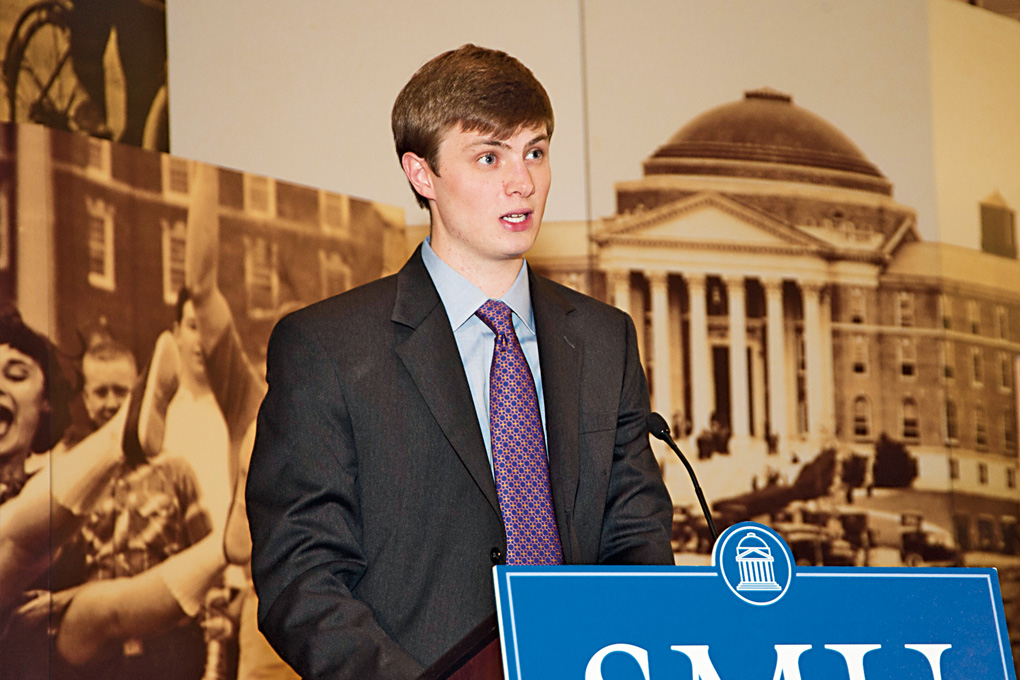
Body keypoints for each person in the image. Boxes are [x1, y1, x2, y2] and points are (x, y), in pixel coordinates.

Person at [246, 44, 674, 679]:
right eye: (488, 157)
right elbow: (302, 578)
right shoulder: (328, 347)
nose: (522, 181)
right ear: (422, 175)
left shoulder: (605, 339)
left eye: (535, 150)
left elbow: (637, 544)